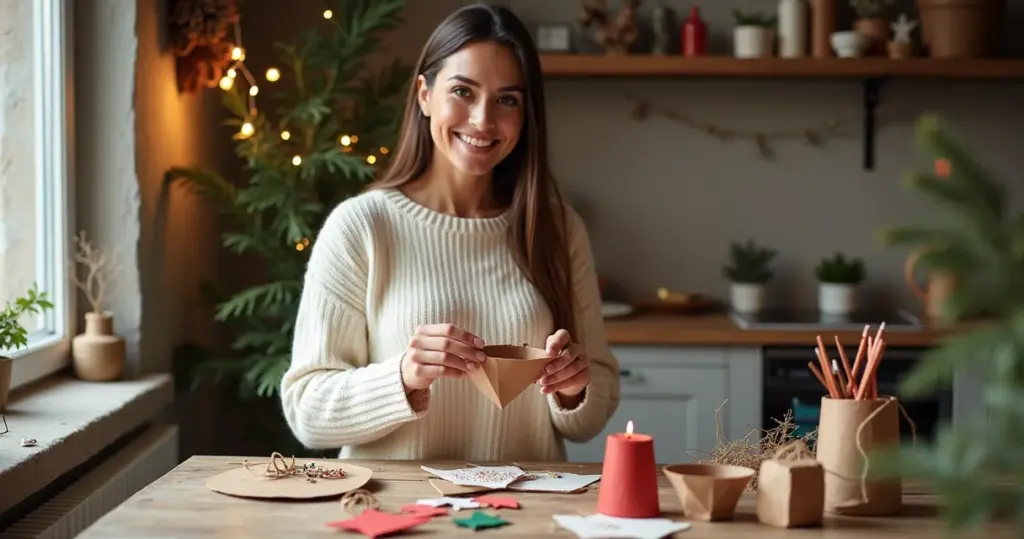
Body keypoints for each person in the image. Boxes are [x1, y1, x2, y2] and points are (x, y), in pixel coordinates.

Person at [280, 3, 620, 462]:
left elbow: (591, 415)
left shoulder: (558, 228)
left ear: (526, 114)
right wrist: (401, 377)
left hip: (525, 514)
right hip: (392, 518)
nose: (483, 120)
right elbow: (306, 410)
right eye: (463, 90)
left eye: (507, 99)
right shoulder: (361, 226)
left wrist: (573, 389)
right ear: (424, 94)